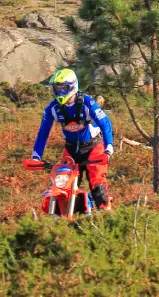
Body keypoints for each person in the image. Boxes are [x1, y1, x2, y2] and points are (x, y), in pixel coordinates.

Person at [31, 68, 115, 210]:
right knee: (62, 184)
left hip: (94, 147)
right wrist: (36, 155)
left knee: (98, 184)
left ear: (72, 86)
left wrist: (109, 148)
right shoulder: (52, 108)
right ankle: (66, 220)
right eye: (57, 88)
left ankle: (105, 216)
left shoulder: (87, 103)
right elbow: (43, 132)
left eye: (63, 88)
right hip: (70, 149)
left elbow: (105, 123)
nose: (59, 92)